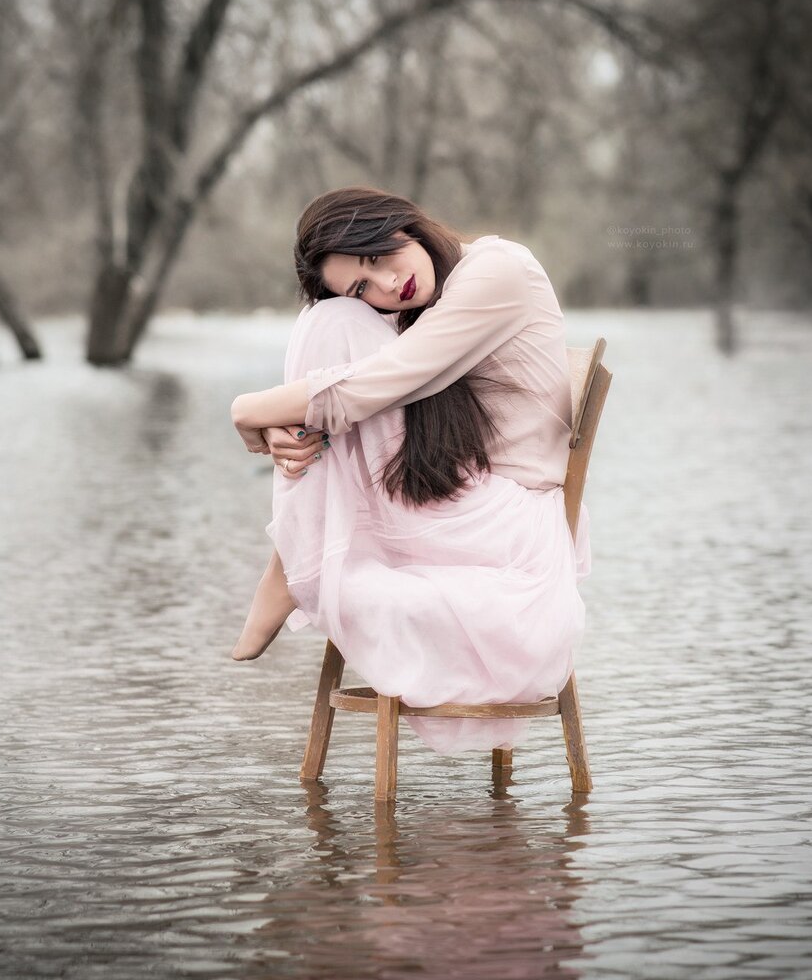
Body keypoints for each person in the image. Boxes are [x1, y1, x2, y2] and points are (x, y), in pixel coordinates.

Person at [229, 186, 591, 754]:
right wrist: (286, 422)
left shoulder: (500, 270)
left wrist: (248, 410)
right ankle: (294, 558)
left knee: (334, 325)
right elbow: (362, 390)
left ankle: (290, 562)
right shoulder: (415, 310)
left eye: (377, 258)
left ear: (399, 223)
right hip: (460, 507)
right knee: (330, 319)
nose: (385, 286)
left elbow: (383, 383)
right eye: (363, 286)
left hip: (508, 527)